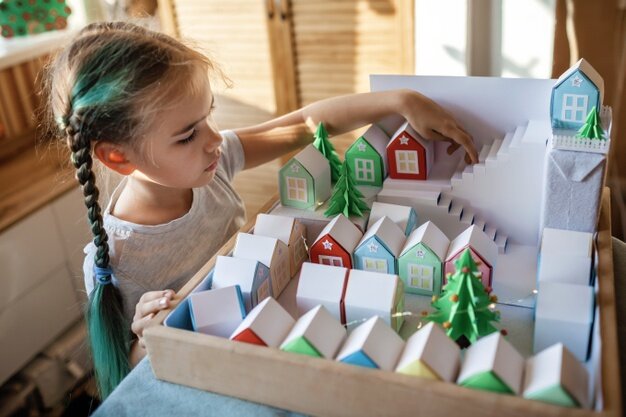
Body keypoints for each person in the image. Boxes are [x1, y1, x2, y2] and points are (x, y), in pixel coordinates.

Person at [44, 21, 477, 399]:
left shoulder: (209, 164)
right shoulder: (119, 260)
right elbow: (134, 369)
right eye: (187, 135)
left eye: (208, 116)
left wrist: (400, 101)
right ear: (118, 158)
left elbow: (304, 124)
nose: (215, 139)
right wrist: (145, 334)